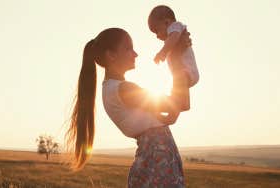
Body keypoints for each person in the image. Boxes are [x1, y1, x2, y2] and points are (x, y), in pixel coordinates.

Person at [65, 27, 192, 187]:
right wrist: (177, 57)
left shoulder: (112, 89)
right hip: (157, 162)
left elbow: (175, 109)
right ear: (111, 55)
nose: (135, 54)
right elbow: (181, 103)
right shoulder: (123, 90)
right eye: (128, 48)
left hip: (154, 161)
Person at [148, 5, 200, 90]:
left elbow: (174, 37)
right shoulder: (170, 39)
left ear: (167, 22)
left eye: (157, 31)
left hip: (188, 71)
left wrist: (163, 52)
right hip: (182, 73)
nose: (157, 36)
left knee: (179, 86)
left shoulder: (176, 26)